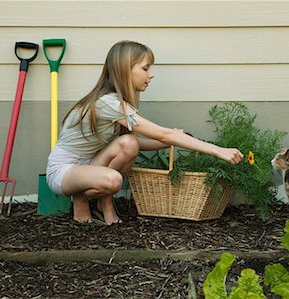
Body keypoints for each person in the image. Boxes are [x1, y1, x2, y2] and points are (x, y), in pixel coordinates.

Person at [46, 40, 244, 225]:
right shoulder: (108, 103)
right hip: (65, 171)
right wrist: (218, 150)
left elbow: (141, 142)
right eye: (145, 68)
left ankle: (102, 202)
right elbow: (162, 133)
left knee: (130, 143)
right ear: (125, 70)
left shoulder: (119, 103)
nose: (151, 74)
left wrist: (169, 142)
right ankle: (81, 197)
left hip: (93, 163)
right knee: (113, 179)